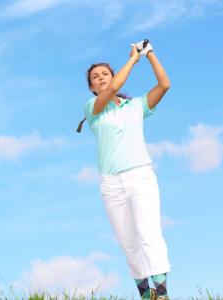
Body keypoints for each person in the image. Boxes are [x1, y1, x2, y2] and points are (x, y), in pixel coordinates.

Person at [79, 41, 171, 300]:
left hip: (140, 177)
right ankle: (146, 295)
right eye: (95, 77)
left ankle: (162, 294)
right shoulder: (93, 109)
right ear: (92, 87)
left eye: (104, 74)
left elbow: (164, 85)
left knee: (149, 233)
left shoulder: (136, 107)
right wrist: (133, 59)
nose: (101, 79)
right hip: (111, 184)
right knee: (128, 242)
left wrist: (149, 53)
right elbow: (117, 86)